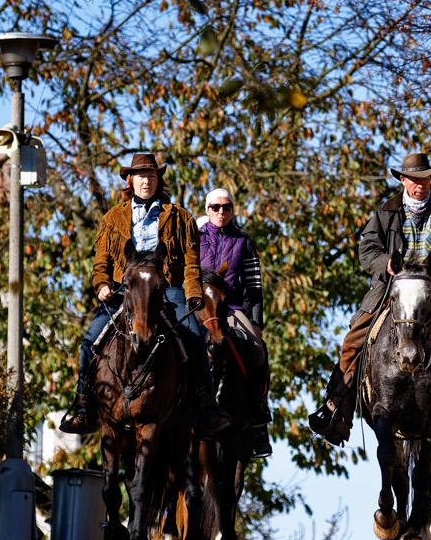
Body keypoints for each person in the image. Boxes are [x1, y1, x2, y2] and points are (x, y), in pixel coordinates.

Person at [307, 152, 431, 446]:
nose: (421, 184)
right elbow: (367, 252)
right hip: (393, 288)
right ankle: (336, 409)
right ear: (403, 180)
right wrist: (384, 264)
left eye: (426, 178)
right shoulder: (385, 212)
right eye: (415, 179)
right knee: (354, 337)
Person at [59, 153, 231, 436]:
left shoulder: (180, 217)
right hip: (124, 291)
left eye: (151, 176)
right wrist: (102, 284)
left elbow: (191, 263)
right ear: (131, 180)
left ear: (158, 181)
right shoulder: (112, 217)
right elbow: (100, 262)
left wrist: (193, 294)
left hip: (169, 289)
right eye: (141, 176)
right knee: (90, 340)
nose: (146, 181)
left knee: (195, 339)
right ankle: (84, 407)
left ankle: (206, 406)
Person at [198, 187, 274, 458]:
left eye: (226, 207)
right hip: (197, 308)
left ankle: (258, 418)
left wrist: (256, 323)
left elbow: (254, 286)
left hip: (230, 308)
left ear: (232, 210)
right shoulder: (194, 237)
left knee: (256, 350)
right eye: (215, 207)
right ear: (207, 209)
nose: (221, 212)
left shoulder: (244, 241)